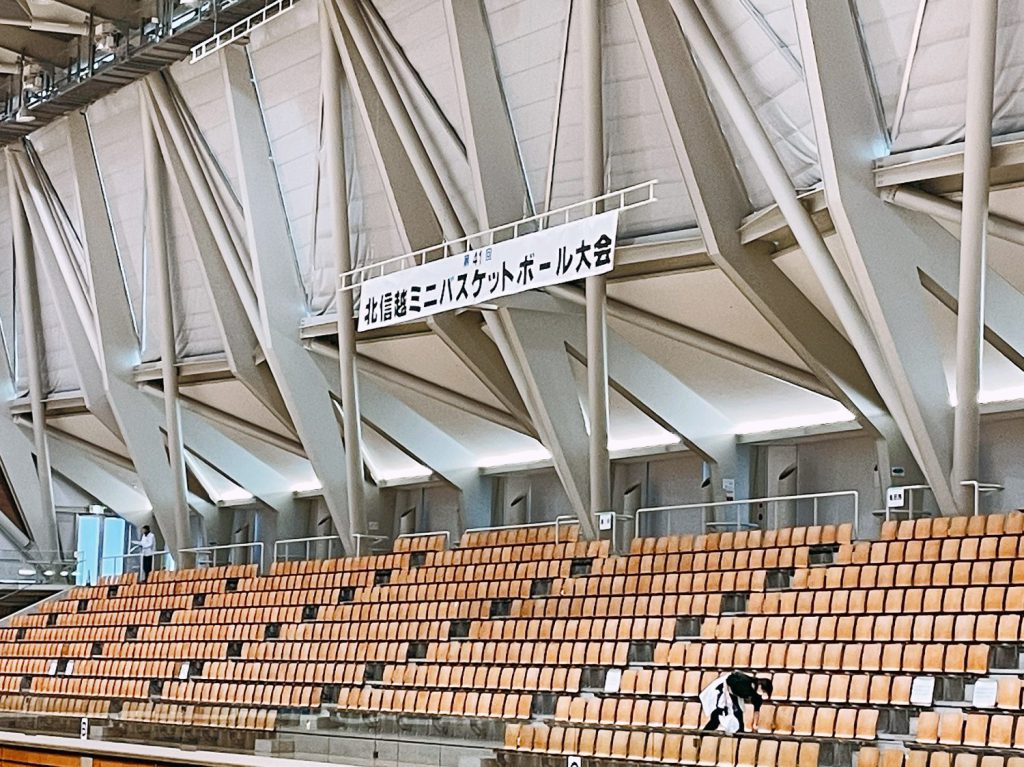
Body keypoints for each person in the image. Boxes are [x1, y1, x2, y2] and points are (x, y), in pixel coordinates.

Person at [699, 672, 773, 734]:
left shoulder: (757, 695)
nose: (762, 693)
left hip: (735, 696)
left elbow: (757, 710)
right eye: (763, 691)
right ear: (759, 685)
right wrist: (728, 703)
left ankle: (739, 737)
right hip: (724, 689)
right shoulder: (743, 681)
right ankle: (702, 736)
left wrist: (754, 724)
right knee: (717, 717)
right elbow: (729, 680)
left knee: (739, 719)